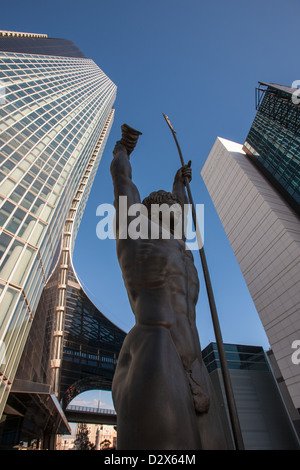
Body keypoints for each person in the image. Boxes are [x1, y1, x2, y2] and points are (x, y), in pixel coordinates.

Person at [110, 134, 227, 450]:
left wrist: (179, 182)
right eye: (172, 210)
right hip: (157, 351)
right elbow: (124, 182)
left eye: (180, 211)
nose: (181, 216)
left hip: (195, 365)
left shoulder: (182, 249)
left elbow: (183, 207)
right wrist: (123, 150)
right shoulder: (137, 237)